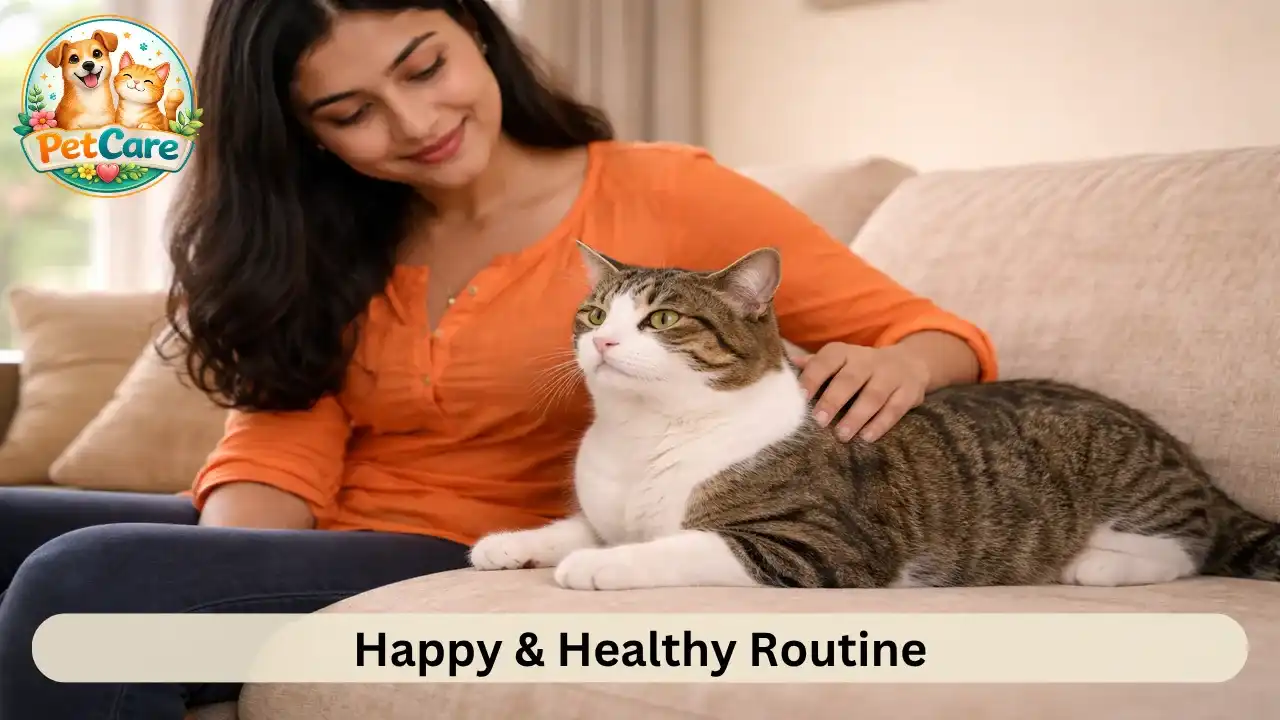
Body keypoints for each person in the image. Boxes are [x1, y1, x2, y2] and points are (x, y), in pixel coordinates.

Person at [0, 0, 999, 716]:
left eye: (423, 66)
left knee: (85, 580)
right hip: (316, 537)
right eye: (348, 114)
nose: (414, 124)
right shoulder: (336, 234)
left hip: (471, 550)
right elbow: (279, 435)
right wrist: (221, 574)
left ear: (475, 31)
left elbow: (931, 335)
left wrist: (905, 366)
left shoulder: (665, 196)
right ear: (302, 137)